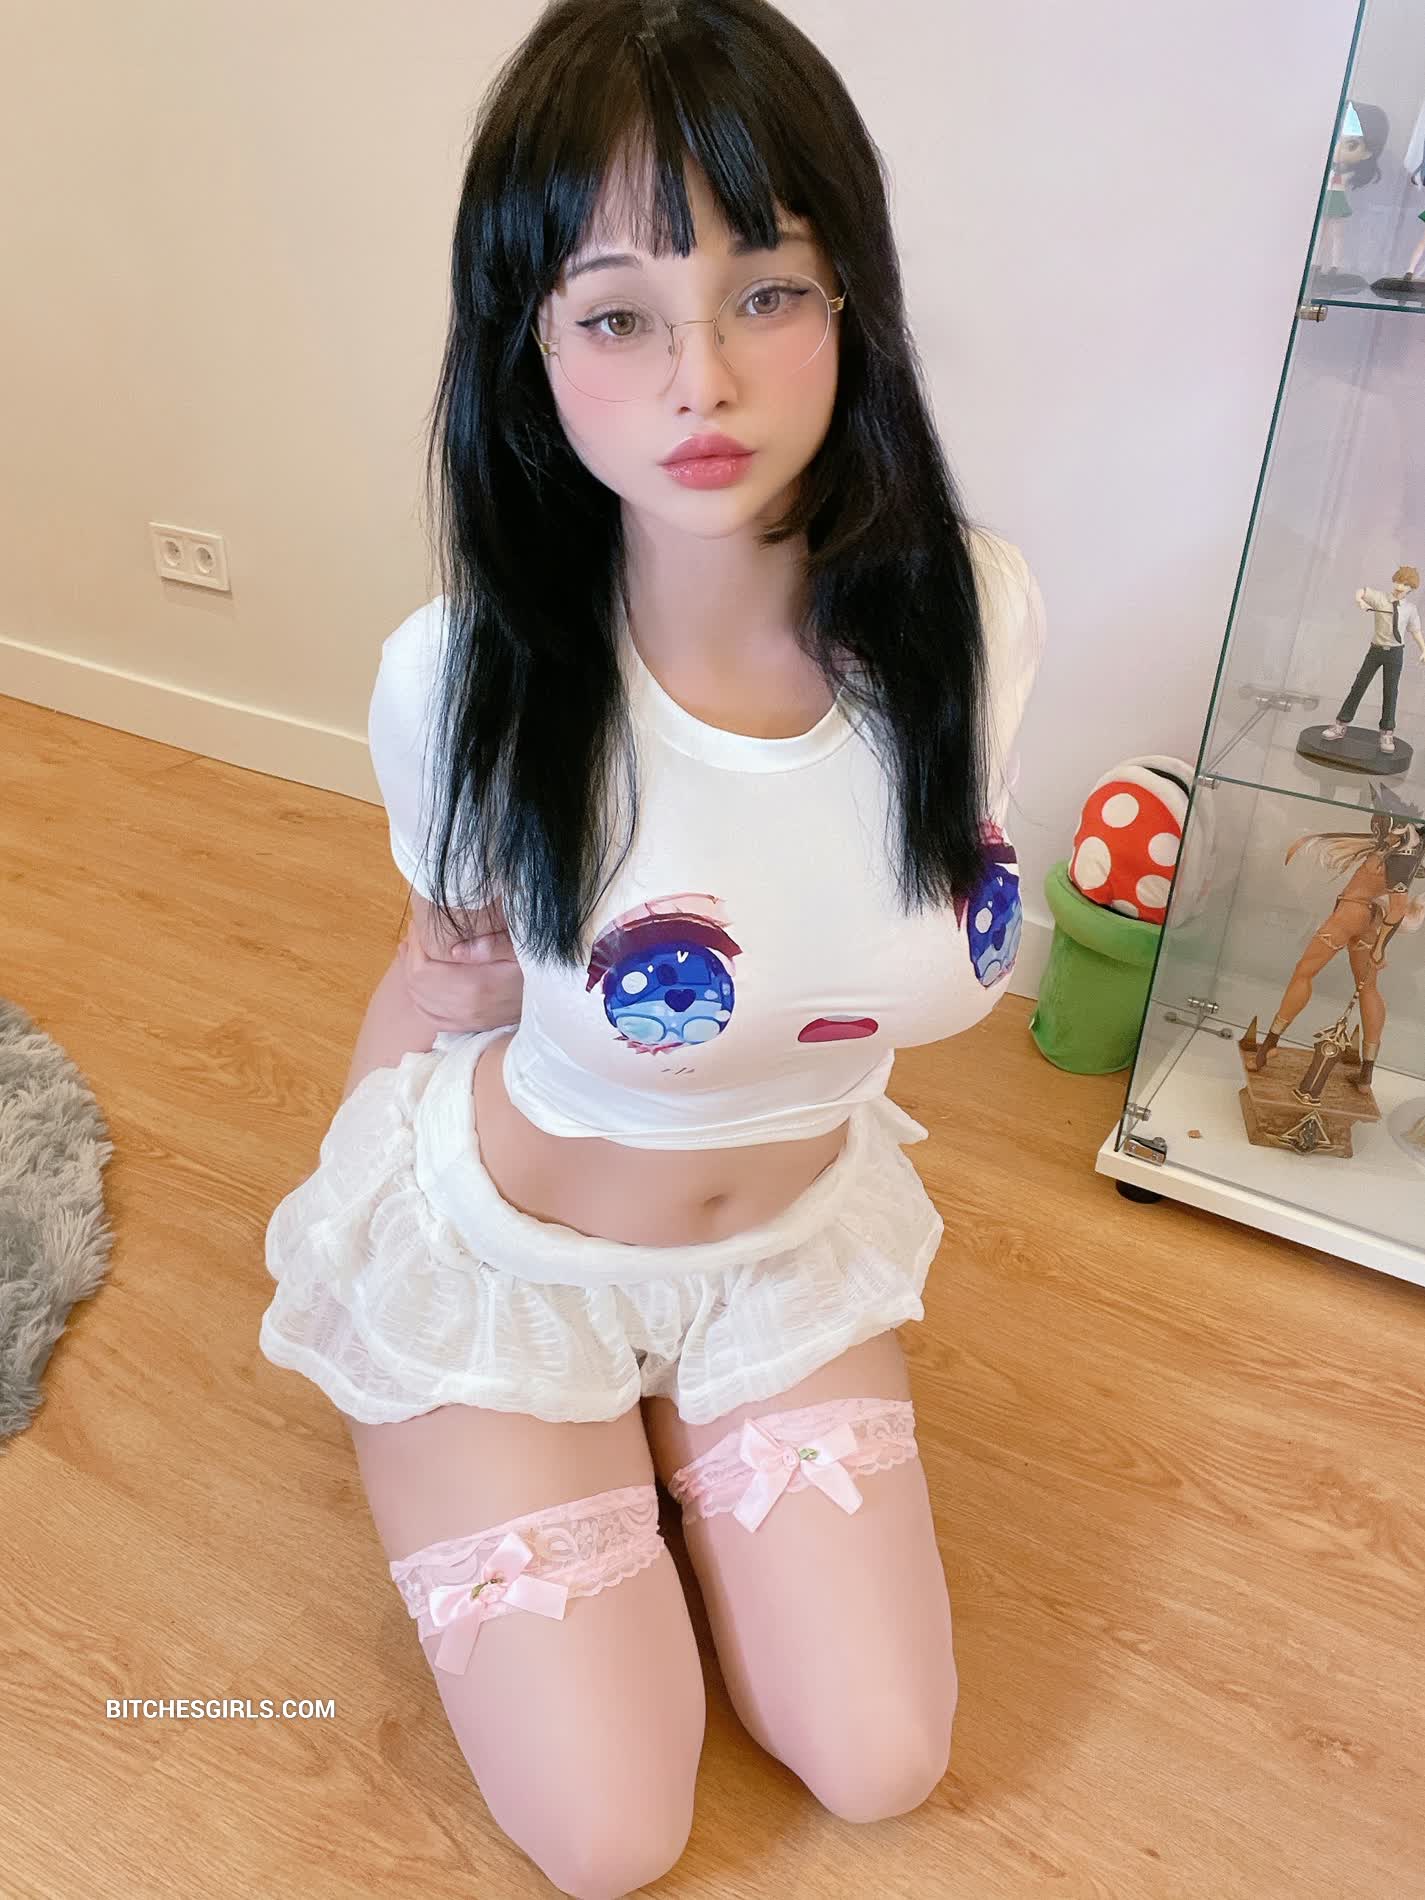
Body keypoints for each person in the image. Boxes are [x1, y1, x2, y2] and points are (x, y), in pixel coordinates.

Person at [259, 3, 1046, 1894]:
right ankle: (519, 1428)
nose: (704, 378)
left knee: (881, 1764)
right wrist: (368, 1264)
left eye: (764, 291)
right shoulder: (464, 684)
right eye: (616, 315)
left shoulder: (978, 617)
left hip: (781, 1260)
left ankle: (679, 1434)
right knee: (615, 1841)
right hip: (514, 1265)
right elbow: (447, 978)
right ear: (528, 347)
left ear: (850, 300)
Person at [1322, 565, 1425, 755]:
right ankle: (1340, 724)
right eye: (1398, 581)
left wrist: (1423, 649)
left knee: (1391, 691)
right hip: (1375, 651)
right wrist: (1360, 601)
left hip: (1395, 653)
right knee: (1359, 685)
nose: (1400, 586)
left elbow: (1415, 630)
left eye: (1405, 584)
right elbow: (1361, 591)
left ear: (1411, 588)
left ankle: (1387, 732)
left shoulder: (1410, 609)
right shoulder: (1380, 598)